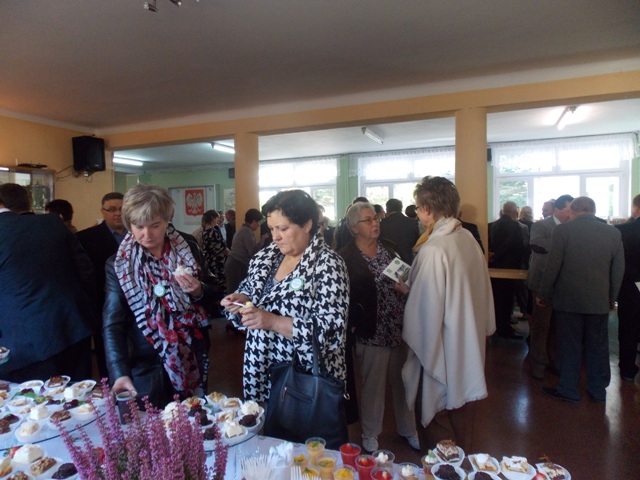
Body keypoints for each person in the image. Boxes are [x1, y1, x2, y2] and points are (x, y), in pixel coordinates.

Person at [221, 190, 349, 430]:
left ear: (307, 225)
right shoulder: (265, 257)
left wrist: (273, 321)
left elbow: (331, 333)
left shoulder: (328, 264)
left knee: (299, 445)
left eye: (283, 228)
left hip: (303, 380)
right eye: (271, 229)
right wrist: (240, 300)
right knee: (264, 438)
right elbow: (249, 290)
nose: (276, 237)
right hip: (260, 369)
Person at [401, 176, 495, 451]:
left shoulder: (434, 248)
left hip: (442, 345)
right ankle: (461, 463)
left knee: (437, 416)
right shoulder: (466, 237)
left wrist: (407, 291)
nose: (418, 215)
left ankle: (442, 466)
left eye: (418, 208)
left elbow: (425, 311)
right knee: (462, 413)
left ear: (427, 210)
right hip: (468, 338)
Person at [103, 185, 216, 408]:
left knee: (193, 417)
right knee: (152, 421)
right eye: (139, 226)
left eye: (155, 225)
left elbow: (214, 294)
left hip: (191, 352)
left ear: (167, 219)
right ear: (129, 224)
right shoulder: (120, 264)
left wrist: (198, 290)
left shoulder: (188, 248)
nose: (147, 235)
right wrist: (119, 372)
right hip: (146, 360)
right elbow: (113, 322)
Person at [339, 202, 419, 453]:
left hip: (399, 326)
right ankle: (370, 433)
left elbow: (406, 276)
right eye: (367, 220)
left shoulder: (390, 248)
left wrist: (406, 287)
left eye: (375, 218)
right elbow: (343, 297)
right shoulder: (345, 257)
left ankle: (409, 429)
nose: (375, 223)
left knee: (403, 382)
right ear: (354, 228)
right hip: (371, 330)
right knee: (372, 386)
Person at [0, 184, 97, 382]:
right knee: (79, 394)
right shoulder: (53, 223)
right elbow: (86, 272)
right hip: (74, 325)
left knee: (35, 398)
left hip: (24, 342)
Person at [538, 197, 624, 403]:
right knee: (598, 346)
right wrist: (612, 298)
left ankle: (568, 389)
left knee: (569, 345)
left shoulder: (562, 231)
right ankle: (597, 390)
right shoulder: (613, 232)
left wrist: (543, 293)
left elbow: (553, 266)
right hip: (599, 301)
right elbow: (618, 270)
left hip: (568, 300)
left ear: (572, 211)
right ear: (593, 211)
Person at [76, 192, 127, 379]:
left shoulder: (139, 235)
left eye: (121, 209)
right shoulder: (86, 238)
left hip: (138, 306)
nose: (117, 213)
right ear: (103, 212)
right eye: (112, 209)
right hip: (103, 304)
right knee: (108, 353)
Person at [526, 194, 574, 379]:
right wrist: (564, 243)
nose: (571, 213)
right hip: (542, 284)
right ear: (557, 210)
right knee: (541, 327)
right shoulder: (541, 226)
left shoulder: (572, 227)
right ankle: (538, 364)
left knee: (557, 328)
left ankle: (553, 361)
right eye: (569, 210)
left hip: (563, 285)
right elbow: (537, 244)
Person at [489, 201, 527, 338]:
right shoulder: (515, 225)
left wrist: (495, 256)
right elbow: (515, 245)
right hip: (510, 267)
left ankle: (499, 325)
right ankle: (504, 327)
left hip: (495, 266)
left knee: (498, 298)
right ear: (515, 212)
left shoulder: (493, 225)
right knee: (506, 298)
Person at [614, 194, 640, 381]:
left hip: (630, 286)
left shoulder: (623, 230)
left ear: (636, 208)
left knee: (628, 328)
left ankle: (627, 369)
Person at [224, 208, 264, 293]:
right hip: (236, 265)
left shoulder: (244, 230)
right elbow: (253, 252)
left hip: (234, 264)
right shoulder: (247, 231)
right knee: (235, 293)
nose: (259, 224)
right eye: (258, 222)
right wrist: (262, 241)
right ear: (253, 221)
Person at [379, 198, 420, 264]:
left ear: (387, 209)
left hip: (388, 263)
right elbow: (418, 244)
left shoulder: (381, 224)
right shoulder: (413, 223)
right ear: (401, 208)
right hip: (409, 261)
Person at [201, 209, 228, 291]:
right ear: (213, 218)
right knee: (220, 284)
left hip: (209, 261)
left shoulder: (204, 232)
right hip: (217, 262)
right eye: (217, 218)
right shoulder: (214, 232)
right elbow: (222, 249)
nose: (218, 220)